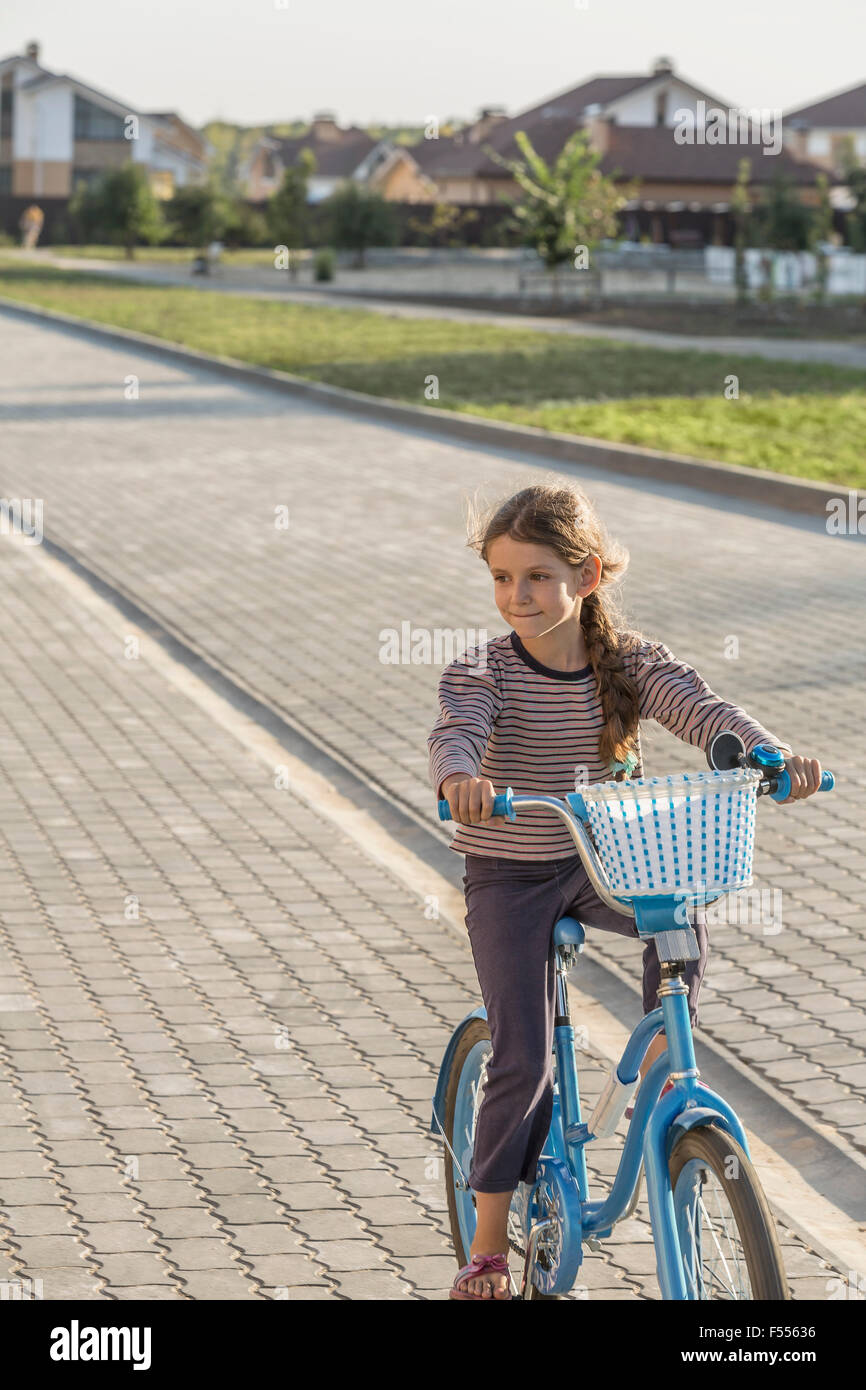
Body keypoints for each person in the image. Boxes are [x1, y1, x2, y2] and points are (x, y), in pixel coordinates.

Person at [428, 481, 824, 1301]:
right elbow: (457, 727)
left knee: (678, 916)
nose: (516, 597)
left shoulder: (631, 662)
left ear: (590, 576)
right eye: (502, 579)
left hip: (604, 859)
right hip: (509, 869)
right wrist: (460, 776)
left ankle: (659, 1057)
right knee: (524, 1057)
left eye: (536, 577)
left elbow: (704, 711)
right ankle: (491, 1250)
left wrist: (773, 758)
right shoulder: (483, 669)